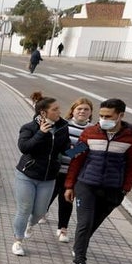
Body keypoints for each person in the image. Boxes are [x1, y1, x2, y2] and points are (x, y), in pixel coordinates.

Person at [64, 98, 132, 264]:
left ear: (120, 116)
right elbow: (76, 158)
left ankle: (78, 247)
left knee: (92, 224)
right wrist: (69, 184)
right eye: (100, 115)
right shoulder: (90, 132)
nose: (103, 119)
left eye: (108, 116)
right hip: (86, 185)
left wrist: (125, 189)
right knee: (84, 222)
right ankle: (80, 263)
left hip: (112, 190)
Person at [11, 92, 70, 257]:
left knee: (39, 212)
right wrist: (41, 134)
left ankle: (31, 224)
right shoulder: (29, 127)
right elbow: (24, 147)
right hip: (26, 175)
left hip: (49, 178)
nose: (59, 111)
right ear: (44, 113)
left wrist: (81, 150)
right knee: (24, 208)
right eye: (55, 109)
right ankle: (18, 241)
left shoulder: (62, 128)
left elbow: (65, 150)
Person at [47, 97, 94, 243]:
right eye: (79, 108)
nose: (82, 111)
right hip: (55, 170)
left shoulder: (92, 130)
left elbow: (89, 152)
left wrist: (73, 150)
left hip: (74, 174)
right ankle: (42, 213)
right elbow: (58, 147)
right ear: (73, 110)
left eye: (86, 109)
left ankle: (62, 229)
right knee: (47, 197)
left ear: (91, 113)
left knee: (66, 201)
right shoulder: (64, 125)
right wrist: (75, 150)